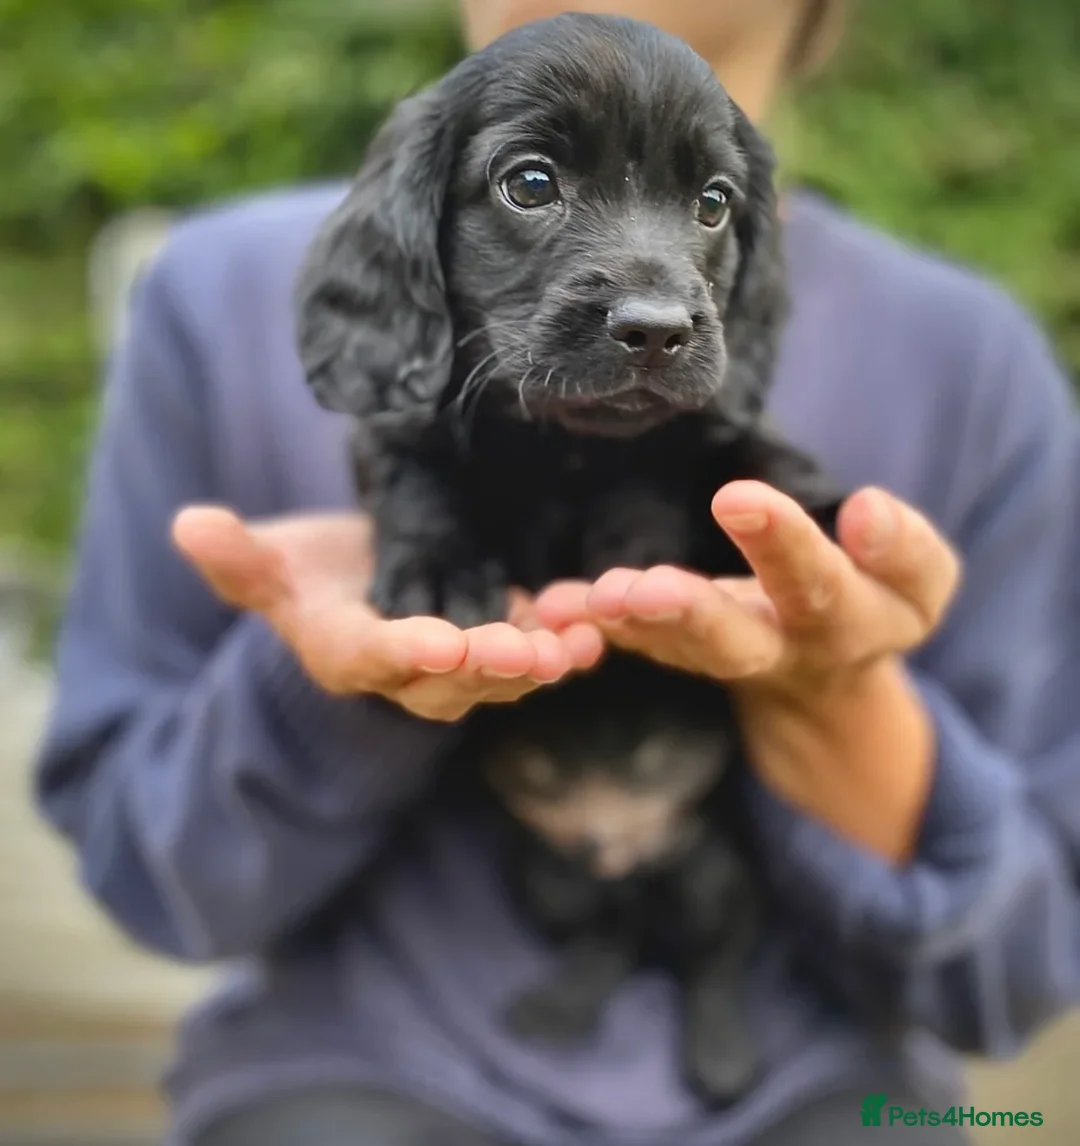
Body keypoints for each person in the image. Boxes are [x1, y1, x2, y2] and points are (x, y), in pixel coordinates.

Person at [34, 1, 1080, 1143]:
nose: (655, 296)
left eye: (709, 202)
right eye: (532, 185)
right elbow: (145, 871)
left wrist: (834, 697)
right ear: (424, 221)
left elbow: (1021, 972)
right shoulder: (207, 293)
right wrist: (334, 691)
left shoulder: (977, 364)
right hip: (351, 1063)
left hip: (844, 1082)